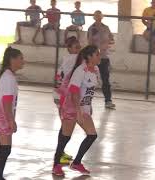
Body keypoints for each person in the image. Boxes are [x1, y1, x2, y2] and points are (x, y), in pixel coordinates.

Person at [52, 45, 100, 176]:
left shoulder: (95, 69)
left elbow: (89, 90)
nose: (99, 57)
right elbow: (73, 92)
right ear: (89, 57)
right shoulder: (80, 70)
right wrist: (78, 111)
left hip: (83, 107)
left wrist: (88, 106)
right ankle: (56, 165)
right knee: (65, 137)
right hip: (71, 106)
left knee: (92, 135)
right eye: (97, 54)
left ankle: (77, 163)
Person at [0, 47, 25, 180]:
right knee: (5, 149)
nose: (23, 61)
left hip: (2, 116)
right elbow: (7, 101)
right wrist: (11, 120)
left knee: (4, 148)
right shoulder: (8, 77)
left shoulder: (8, 76)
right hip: (2, 117)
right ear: (12, 60)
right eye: (21, 58)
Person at [53, 36, 81, 166]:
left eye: (79, 47)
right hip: (63, 96)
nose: (78, 49)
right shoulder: (73, 59)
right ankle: (58, 156)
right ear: (69, 49)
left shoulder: (67, 59)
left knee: (64, 126)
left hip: (60, 94)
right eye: (76, 47)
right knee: (66, 127)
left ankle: (61, 152)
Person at [88, 10, 116, 109]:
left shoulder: (106, 28)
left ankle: (108, 101)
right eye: (96, 16)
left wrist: (107, 44)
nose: (98, 17)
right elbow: (90, 43)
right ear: (94, 17)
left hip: (104, 57)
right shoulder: (91, 29)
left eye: (99, 16)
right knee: (90, 79)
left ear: (102, 17)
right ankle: (87, 100)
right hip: (94, 58)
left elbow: (112, 40)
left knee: (105, 80)